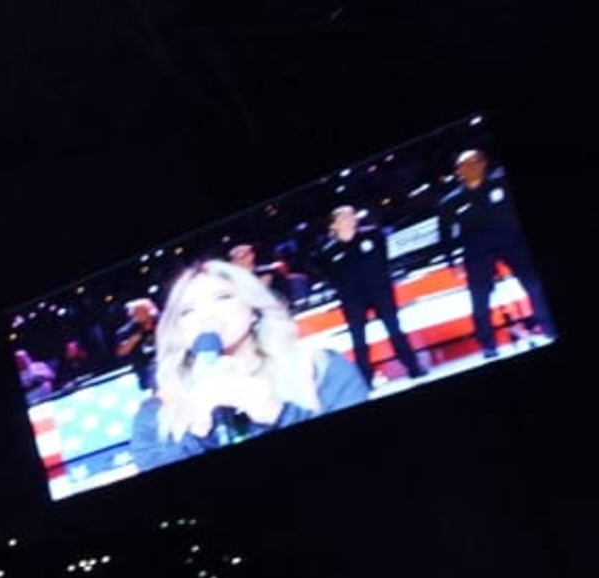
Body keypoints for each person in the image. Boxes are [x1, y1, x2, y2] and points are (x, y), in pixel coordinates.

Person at [126, 258, 370, 475]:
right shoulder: (154, 417)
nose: (206, 315)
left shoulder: (321, 369)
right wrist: (198, 434)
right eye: (188, 310)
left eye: (222, 297)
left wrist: (280, 415)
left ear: (252, 308)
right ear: (178, 329)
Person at [437, 147, 551, 352]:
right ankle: (488, 345)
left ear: (483, 163)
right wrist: (451, 262)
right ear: (458, 170)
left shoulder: (501, 183)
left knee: (535, 285)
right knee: (479, 299)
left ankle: (549, 328)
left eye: (475, 161)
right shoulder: (450, 202)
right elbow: (445, 235)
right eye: (465, 164)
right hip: (477, 253)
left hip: (512, 244)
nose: (471, 167)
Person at [318, 203, 424, 382]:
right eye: (343, 217)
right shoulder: (329, 251)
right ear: (333, 225)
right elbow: (330, 276)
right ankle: (365, 379)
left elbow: (384, 259)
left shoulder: (372, 235)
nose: (349, 219)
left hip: (380, 292)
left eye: (352, 215)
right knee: (359, 339)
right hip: (353, 300)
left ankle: (413, 367)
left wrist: (382, 282)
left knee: (395, 330)